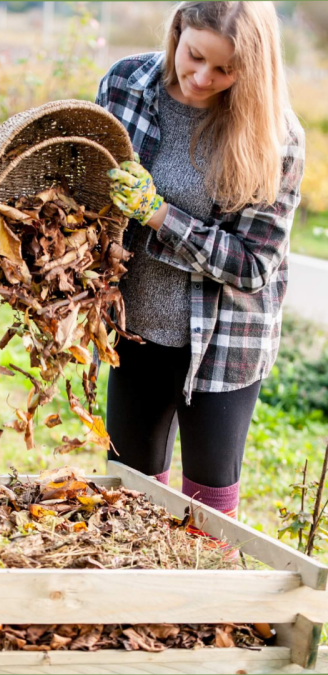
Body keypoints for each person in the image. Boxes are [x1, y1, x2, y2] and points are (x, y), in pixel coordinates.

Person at [97, 1, 304, 524]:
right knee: (128, 497)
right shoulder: (124, 85)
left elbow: (254, 264)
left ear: (253, 70)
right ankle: (134, 605)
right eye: (194, 55)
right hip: (135, 333)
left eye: (225, 69)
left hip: (225, 345)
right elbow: (88, 189)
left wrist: (160, 216)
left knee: (207, 512)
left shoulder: (275, 136)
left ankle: (202, 605)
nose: (201, 77)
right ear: (177, 30)